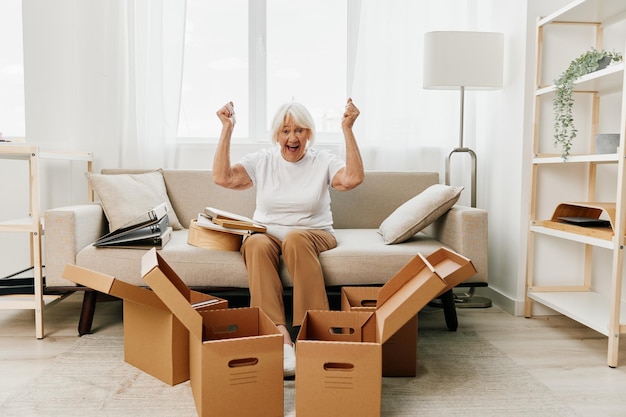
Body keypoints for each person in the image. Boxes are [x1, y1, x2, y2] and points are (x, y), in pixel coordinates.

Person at [213, 98, 364, 377]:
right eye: (285, 131)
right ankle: (279, 337)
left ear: (309, 134)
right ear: (277, 136)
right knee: (256, 243)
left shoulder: (323, 160)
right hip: (266, 233)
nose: (292, 138)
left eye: (299, 131)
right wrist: (227, 128)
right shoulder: (263, 160)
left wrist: (348, 128)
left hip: (314, 234)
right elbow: (223, 178)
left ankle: (313, 336)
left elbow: (352, 178)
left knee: (295, 238)